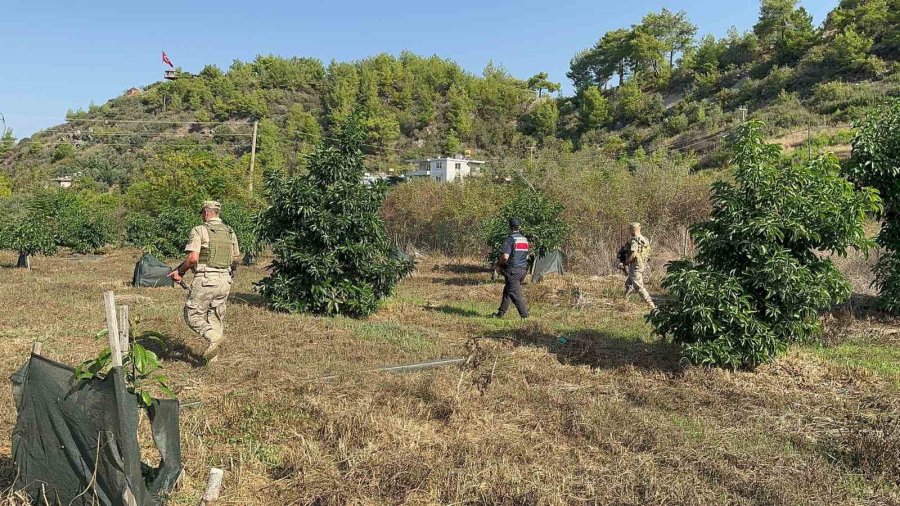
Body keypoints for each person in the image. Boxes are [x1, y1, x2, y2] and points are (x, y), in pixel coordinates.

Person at [168, 201, 240, 363]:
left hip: (207, 279)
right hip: (225, 280)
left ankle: (213, 337)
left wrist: (180, 272)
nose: (201, 216)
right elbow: (235, 258)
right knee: (215, 316)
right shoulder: (230, 231)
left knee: (192, 315)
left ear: (207, 213)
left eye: (202, 213)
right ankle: (213, 362)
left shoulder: (200, 230)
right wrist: (228, 275)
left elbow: (193, 258)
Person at [494, 217, 530, 319]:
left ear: (509, 227)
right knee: (508, 290)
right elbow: (527, 256)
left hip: (513, 270)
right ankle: (500, 313)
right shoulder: (525, 239)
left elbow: (505, 257)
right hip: (523, 270)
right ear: (520, 227)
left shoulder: (510, 239)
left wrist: (500, 264)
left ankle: (524, 316)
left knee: (515, 294)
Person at [619, 222, 656, 310]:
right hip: (641, 264)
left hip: (635, 265)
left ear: (633, 230)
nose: (629, 232)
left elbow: (633, 254)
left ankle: (652, 307)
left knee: (638, 286)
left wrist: (626, 262)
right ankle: (625, 302)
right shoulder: (644, 239)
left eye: (630, 230)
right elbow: (649, 253)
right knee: (629, 283)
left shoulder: (634, 240)